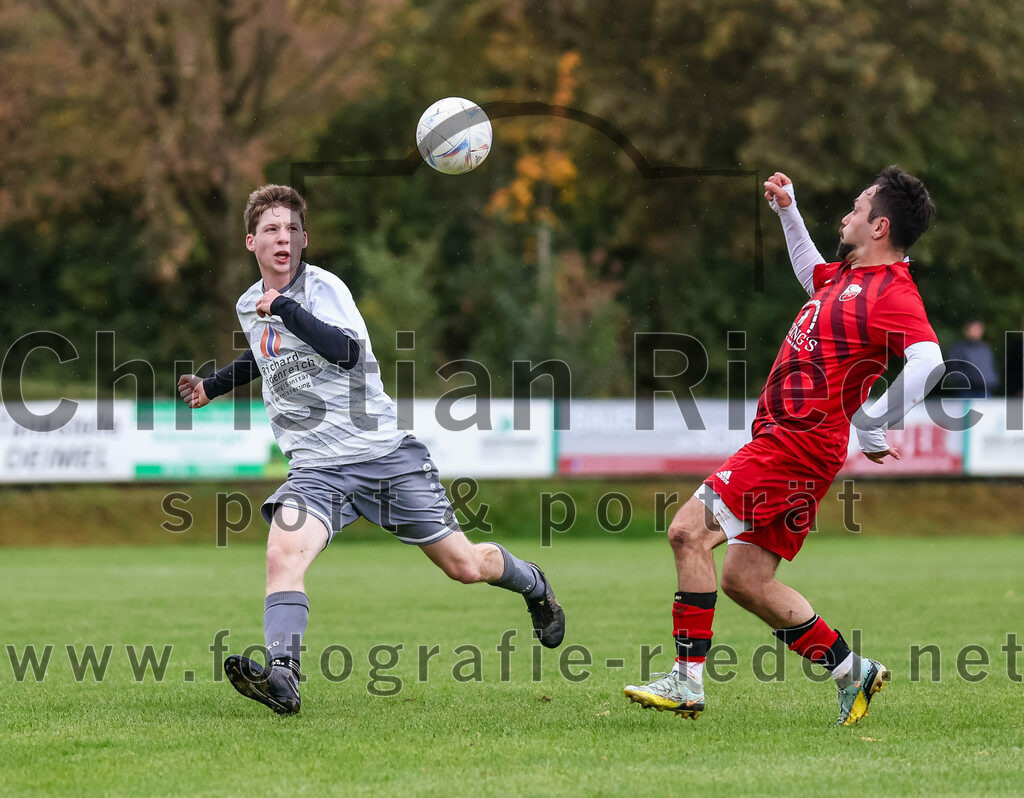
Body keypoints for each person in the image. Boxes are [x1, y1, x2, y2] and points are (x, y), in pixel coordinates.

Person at [178, 185, 564, 715]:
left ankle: (534, 584)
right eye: (271, 229)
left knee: (464, 566)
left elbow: (346, 351)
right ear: (251, 241)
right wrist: (213, 386)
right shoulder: (251, 304)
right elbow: (264, 354)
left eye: (291, 228)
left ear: (304, 239)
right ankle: (284, 678)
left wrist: (287, 309)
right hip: (316, 467)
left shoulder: (322, 289)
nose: (282, 237)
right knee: (280, 555)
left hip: (382, 455)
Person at [624, 166, 944, 726]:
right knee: (746, 580)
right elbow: (809, 273)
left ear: (881, 226)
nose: (847, 213)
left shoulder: (893, 293)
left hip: (795, 444)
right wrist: (788, 211)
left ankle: (686, 682)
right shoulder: (846, 279)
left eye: (858, 206)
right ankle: (853, 672)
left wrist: (872, 422)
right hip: (794, 445)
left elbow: (929, 363)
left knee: (685, 532)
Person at [946, 320, 999, 398]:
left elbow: (990, 368)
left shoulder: (985, 348)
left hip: (986, 389)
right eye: (974, 329)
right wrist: (969, 380)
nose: (977, 332)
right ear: (966, 331)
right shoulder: (959, 348)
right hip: (967, 391)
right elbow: (954, 369)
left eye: (979, 329)